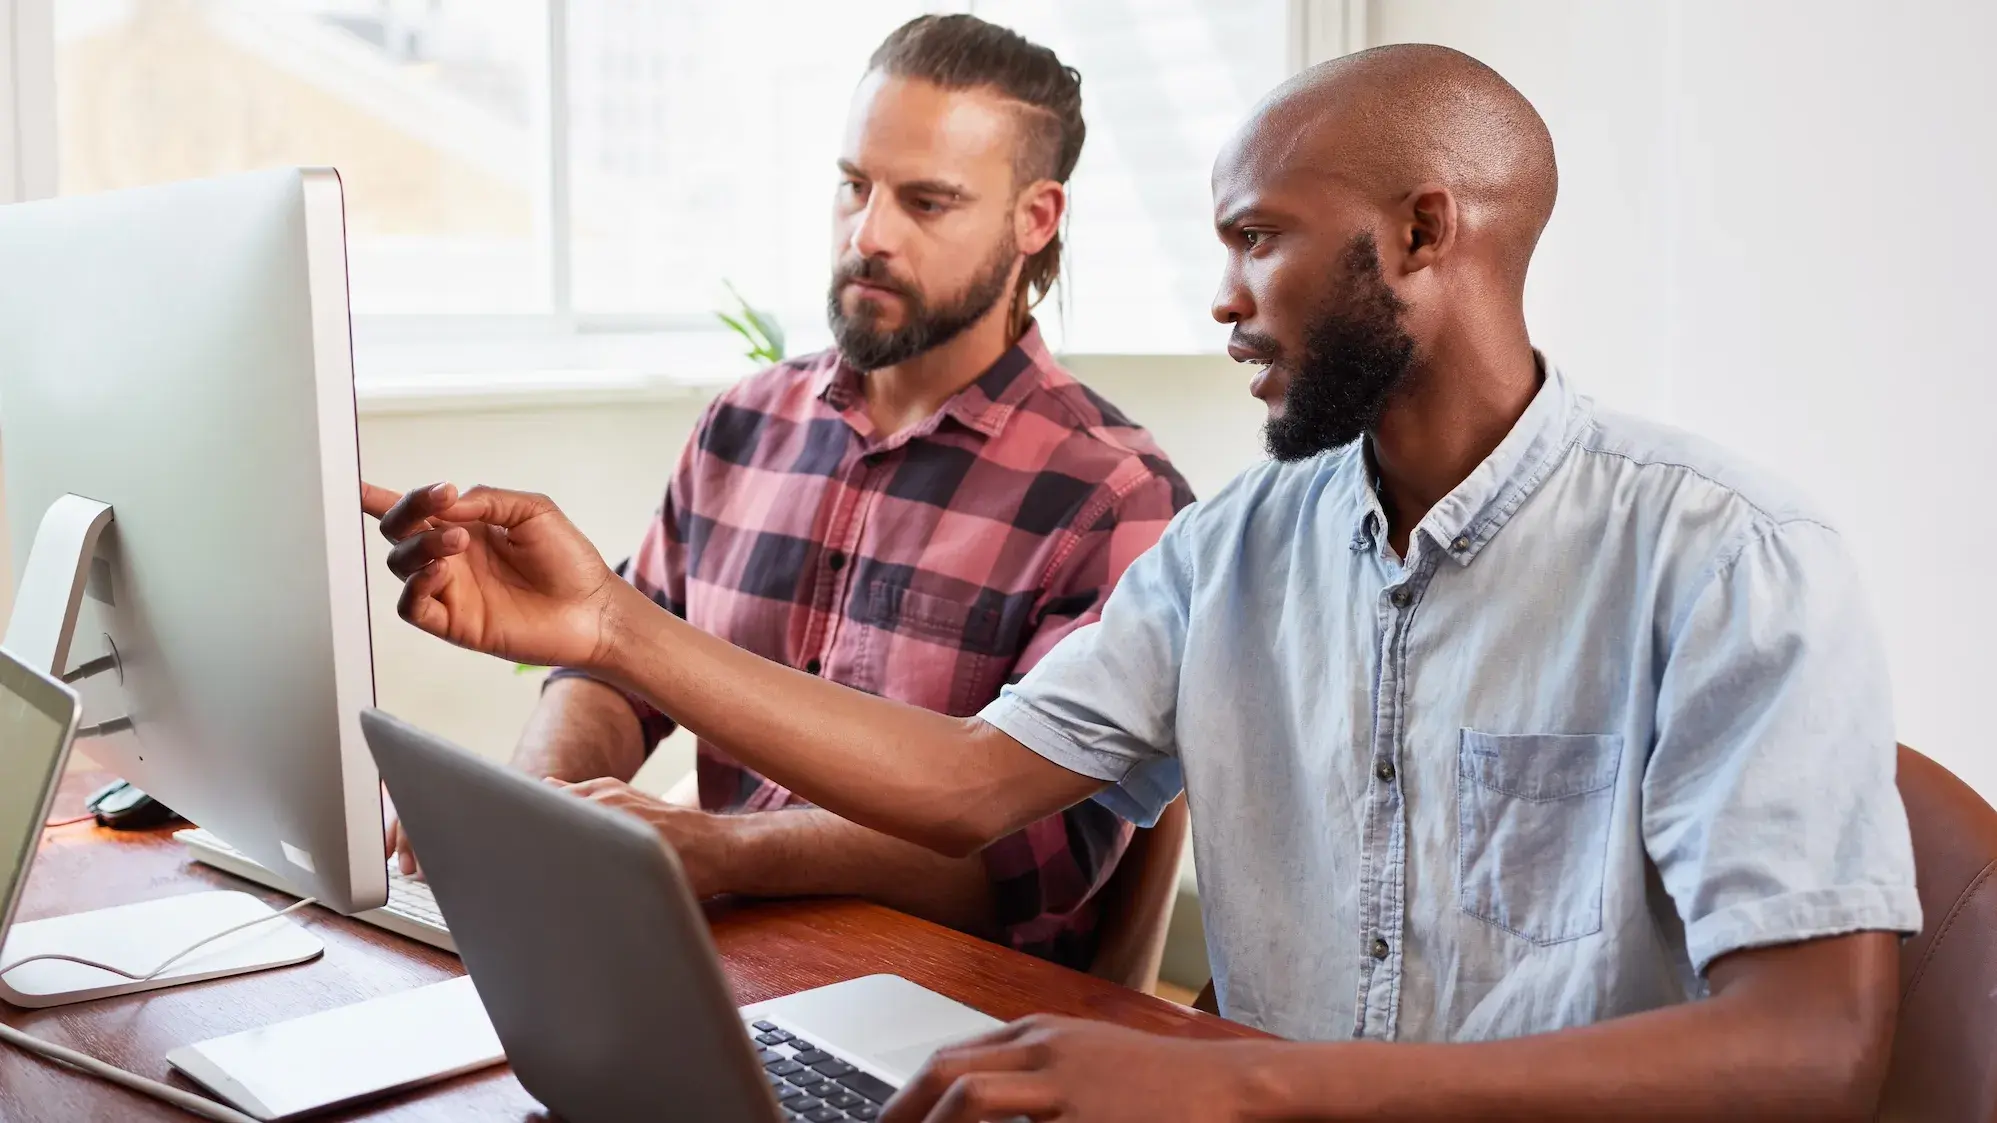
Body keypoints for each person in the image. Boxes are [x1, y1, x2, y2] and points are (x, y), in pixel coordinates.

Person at [363, 43, 1919, 1122]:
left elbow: (1812, 1050)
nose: (1221, 297)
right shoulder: (1237, 546)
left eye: (1260, 240)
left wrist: (1231, 1075)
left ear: (1423, 231)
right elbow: (973, 781)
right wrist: (613, 627)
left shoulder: (1726, 561)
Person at [374, 14, 1194, 971]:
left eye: (926, 203)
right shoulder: (744, 423)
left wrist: (714, 850)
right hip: (717, 968)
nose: (868, 234)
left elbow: (1026, 862)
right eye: (854, 186)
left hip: (948, 1020)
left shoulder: (1115, 499)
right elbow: (616, 669)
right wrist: (529, 814)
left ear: (1034, 219)